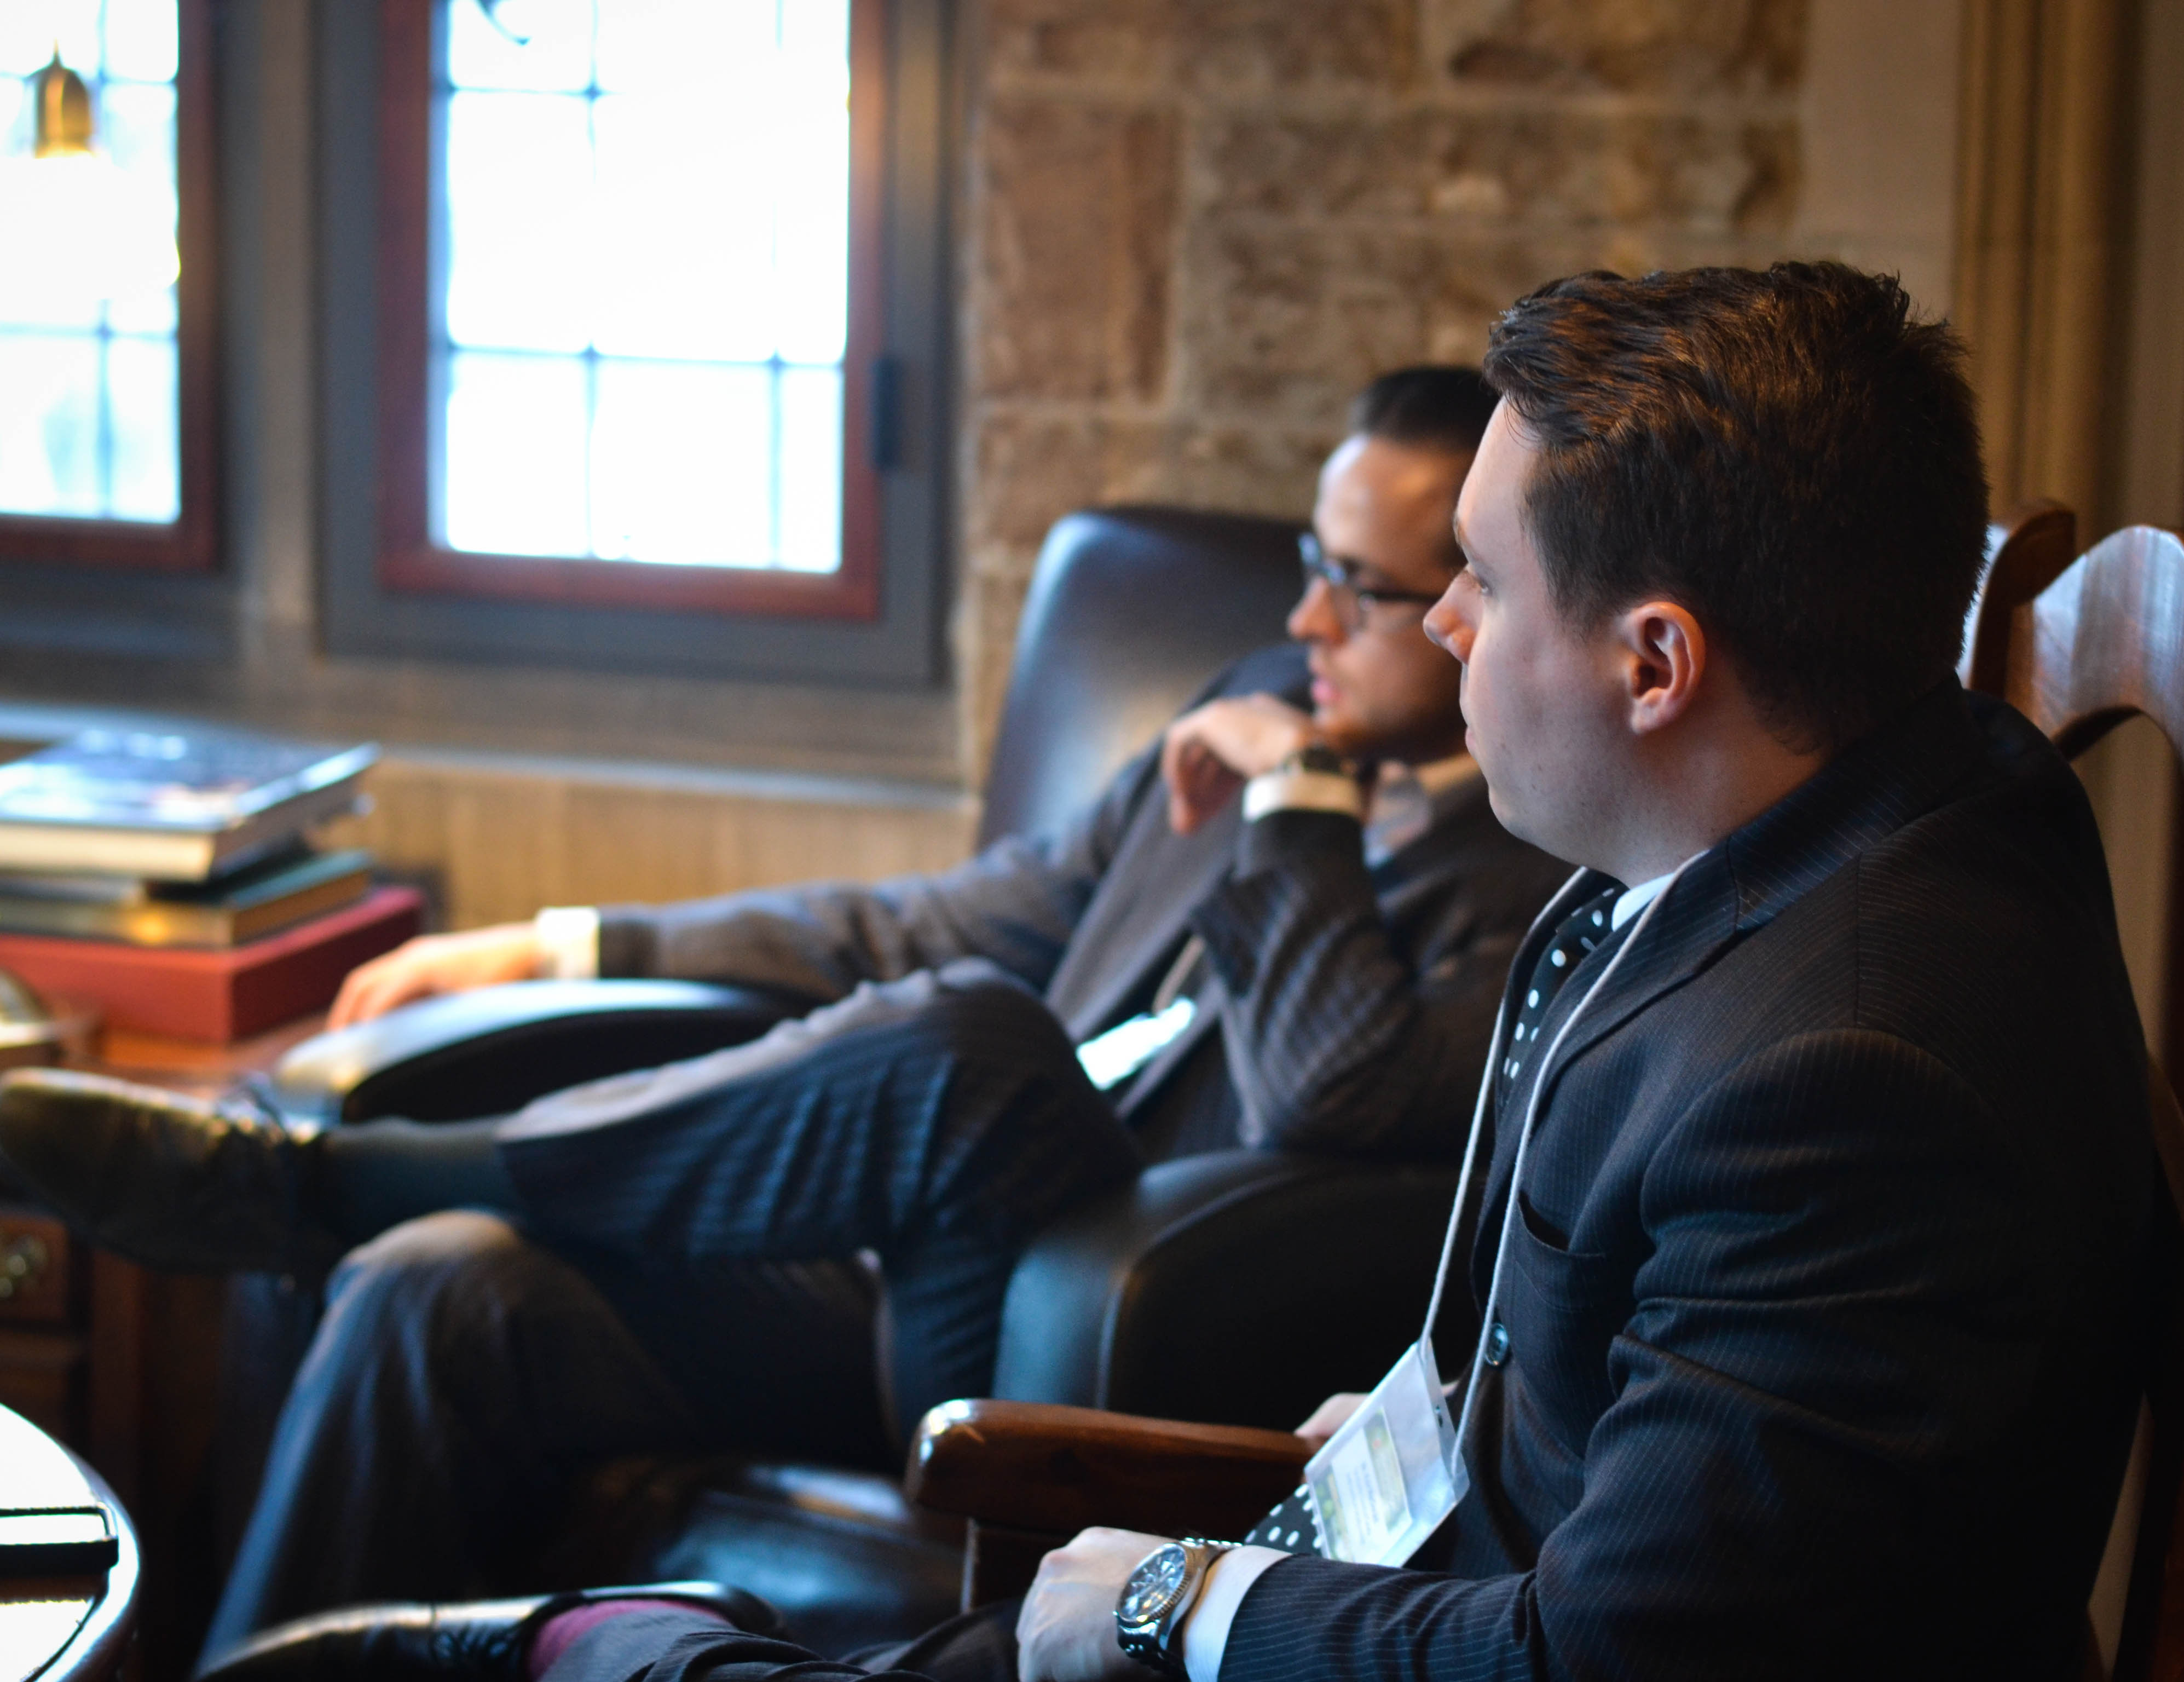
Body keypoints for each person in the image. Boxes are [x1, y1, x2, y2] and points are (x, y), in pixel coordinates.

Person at [181, 261, 2169, 1682]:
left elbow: (1613, 1652)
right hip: (1358, 1522)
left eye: (1478, 583)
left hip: (1242, 1456)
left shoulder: (1848, 1069)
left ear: (1658, 663)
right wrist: (1377, 1457)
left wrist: (1176, 1602)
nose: (1439, 626)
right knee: (452, 1300)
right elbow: (961, 921)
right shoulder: (1818, 839)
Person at [0, 368, 1570, 1653]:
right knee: (440, 1287)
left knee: (972, 1043)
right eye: (1309, 563)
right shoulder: (1249, 710)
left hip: (1089, 1345)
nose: (1304, 625)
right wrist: (564, 942)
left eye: (1361, 590)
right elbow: (938, 918)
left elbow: (1330, 1088)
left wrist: (1298, 815)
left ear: (1471, 603)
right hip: (901, 1276)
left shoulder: (1534, 878)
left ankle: (303, 1189)